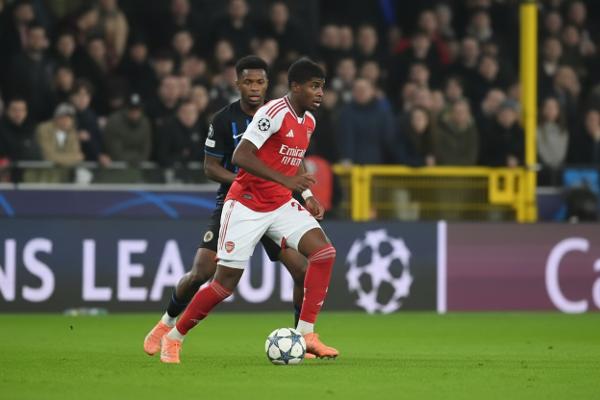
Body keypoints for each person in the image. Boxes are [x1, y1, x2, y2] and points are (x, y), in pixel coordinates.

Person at [158, 58, 338, 364]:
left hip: (280, 203)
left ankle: (306, 334)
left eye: (322, 87)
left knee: (324, 253)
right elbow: (241, 156)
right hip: (246, 204)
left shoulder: (309, 120)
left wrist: (306, 194)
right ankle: (174, 337)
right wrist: (286, 181)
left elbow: (293, 157)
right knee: (223, 284)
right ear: (296, 87)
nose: (320, 92)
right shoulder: (272, 113)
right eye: (314, 86)